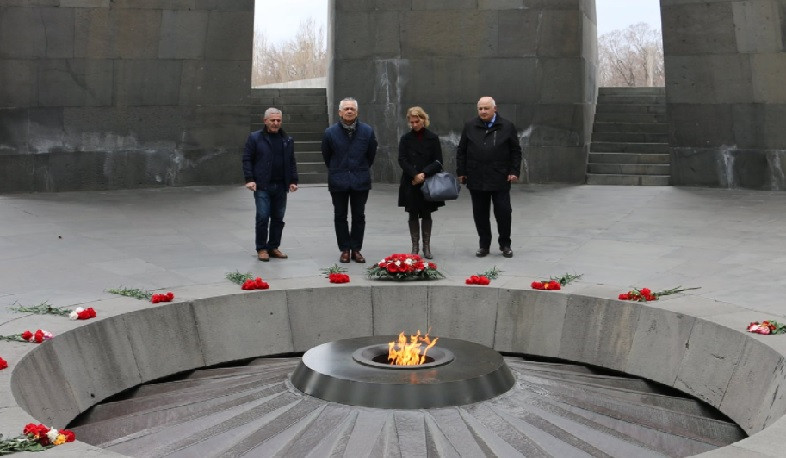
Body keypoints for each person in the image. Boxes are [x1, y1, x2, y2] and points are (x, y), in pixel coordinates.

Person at [456, 96, 522, 258]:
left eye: (486, 108)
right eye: (480, 109)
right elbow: (461, 151)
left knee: (504, 212)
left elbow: (515, 151)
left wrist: (514, 171)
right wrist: (461, 172)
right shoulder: (470, 126)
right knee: (480, 213)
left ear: (495, 109)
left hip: (500, 177)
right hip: (476, 177)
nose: (483, 111)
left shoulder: (507, 126)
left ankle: (505, 244)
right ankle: (484, 245)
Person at [321, 97, 378, 263]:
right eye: (346, 108)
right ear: (340, 112)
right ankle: (345, 249)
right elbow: (327, 156)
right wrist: (338, 169)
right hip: (338, 181)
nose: (349, 111)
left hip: (360, 180)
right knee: (340, 216)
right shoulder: (330, 133)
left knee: (359, 216)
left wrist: (360, 168)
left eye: (352, 108)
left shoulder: (367, 131)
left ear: (357, 112)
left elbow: (371, 155)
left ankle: (356, 249)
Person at [242, 107, 299, 262]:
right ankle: (261, 248)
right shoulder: (255, 138)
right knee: (262, 217)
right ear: (265, 120)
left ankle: (273, 247)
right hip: (262, 185)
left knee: (278, 218)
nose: (275, 123)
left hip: (281, 186)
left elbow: (291, 161)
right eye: (272, 120)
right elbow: (247, 159)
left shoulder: (287, 139)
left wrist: (293, 180)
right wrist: (249, 179)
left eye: (278, 120)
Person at [397, 106, 444, 259]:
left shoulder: (433, 138)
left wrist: (424, 174)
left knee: (427, 213)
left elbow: (438, 161)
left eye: (417, 121)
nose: (414, 125)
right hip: (410, 182)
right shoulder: (405, 139)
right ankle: (415, 246)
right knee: (412, 214)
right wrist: (414, 174)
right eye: (412, 122)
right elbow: (402, 159)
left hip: (427, 181)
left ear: (424, 120)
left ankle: (427, 246)